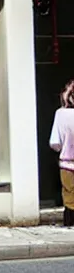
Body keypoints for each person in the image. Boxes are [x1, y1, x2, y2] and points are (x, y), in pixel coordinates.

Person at [49, 80, 74, 226]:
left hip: (67, 162)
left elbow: (55, 143)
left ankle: (70, 221)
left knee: (69, 193)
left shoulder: (60, 114)